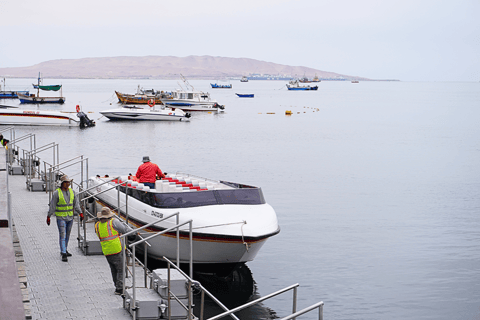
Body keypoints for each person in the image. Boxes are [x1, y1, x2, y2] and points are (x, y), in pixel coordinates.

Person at [95, 207, 134, 295]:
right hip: (116, 249)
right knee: (121, 269)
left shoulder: (97, 225)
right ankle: (119, 288)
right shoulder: (113, 222)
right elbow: (124, 229)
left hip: (106, 250)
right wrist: (134, 232)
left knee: (113, 269)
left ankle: (117, 285)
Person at [46, 175, 83, 262]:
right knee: (62, 235)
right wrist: (49, 216)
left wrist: (80, 213)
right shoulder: (56, 193)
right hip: (61, 218)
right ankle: (63, 253)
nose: (68, 184)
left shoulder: (72, 192)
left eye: (69, 182)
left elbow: (76, 204)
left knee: (67, 235)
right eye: (66, 182)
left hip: (70, 217)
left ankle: (64, 249)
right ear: (62, 183)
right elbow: (52, 206)